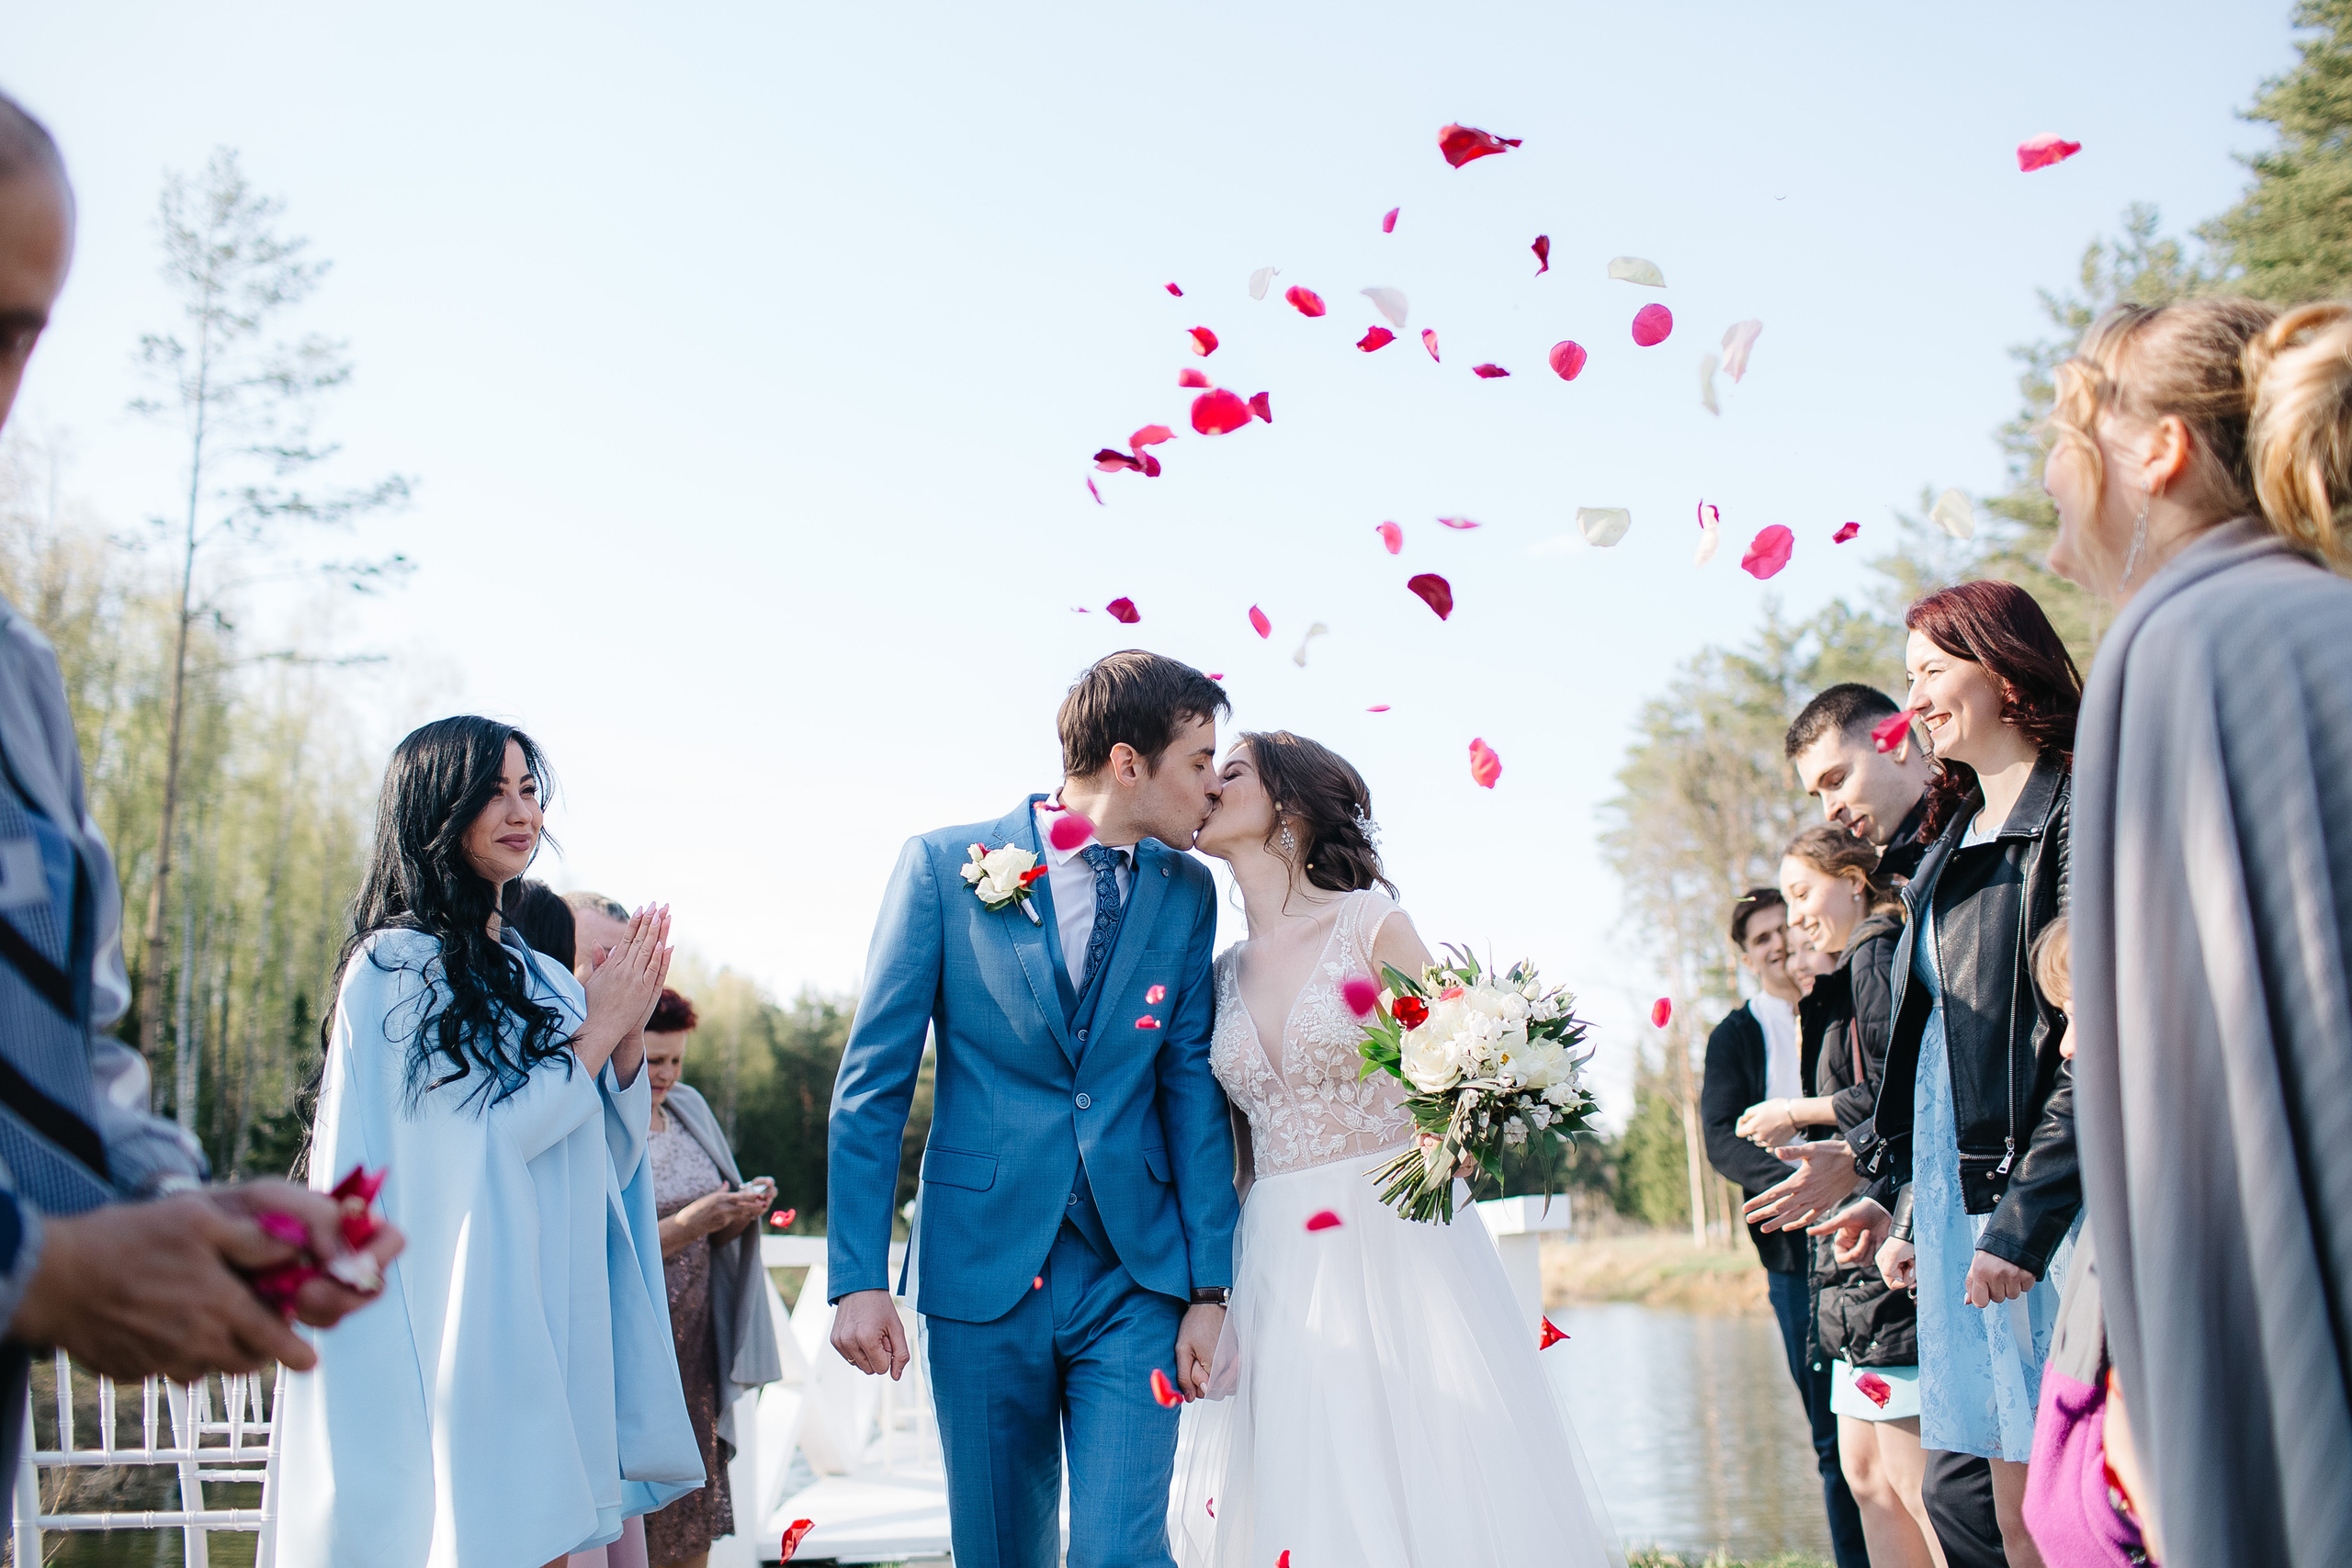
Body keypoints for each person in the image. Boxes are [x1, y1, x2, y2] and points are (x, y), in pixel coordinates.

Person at [0, 87, 401, 1511]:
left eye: (17, 330)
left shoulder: (20, 684)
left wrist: (181, 1217)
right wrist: (32, 1266)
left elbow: (66, 1054)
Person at [2049, 295, 2352, 1564]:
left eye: (2061, 441)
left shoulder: (2179, 641)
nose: (2049, 482)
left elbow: (2191, 1105)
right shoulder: (2310, 614)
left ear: (2154, 451)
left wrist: (2169, 1422)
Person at [1169, 730, 1621, 1567]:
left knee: (1429, 1467)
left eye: (1231, 771)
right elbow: (1230, 1150)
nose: (1208, 784)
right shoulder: (1218, 972)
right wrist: (1220, 1291)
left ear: (1289, 808)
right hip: (1276, 1253)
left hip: (1394, 1238)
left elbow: (1462, 1072)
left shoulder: (1370, 927)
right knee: (1308, 1484)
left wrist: (1447, 1140)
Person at [827, 650, 1239, 1568]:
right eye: (1200, 761)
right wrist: (858, 1275)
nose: (1214, 786)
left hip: (1134, 1277)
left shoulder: (1186, 892)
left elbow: (1188, 1090)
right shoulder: (942, 867)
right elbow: (874, 1083)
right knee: (999, 1550)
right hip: (980, 1270)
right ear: (1128, 764)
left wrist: (1211, 1288)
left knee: (1118, 1552)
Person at [277, 717, 703, 1568]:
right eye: (494, 790)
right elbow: (474, 1150)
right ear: (437, 806)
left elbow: (601, 1162)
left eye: (530, 789)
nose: (521, 811)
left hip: (551, 1306)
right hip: (459, 1307)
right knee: (479, 1531)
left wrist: (622, 1041)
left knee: (550, 1536)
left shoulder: (541, 975)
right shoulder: (394, 967)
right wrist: (603, 1026)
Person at [1830, 581, 2082, 1568]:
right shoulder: (1950, 841)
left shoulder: (2074, 812)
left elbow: (2083, 1039)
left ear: (2004, 670)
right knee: (1986, 1503)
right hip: (1957, 1206)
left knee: (2049, 1511)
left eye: (1930, 673)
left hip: (2040, 1210)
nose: (1913, 702)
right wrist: (1905, 1208)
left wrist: (2024, 1219)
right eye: (1906, 681)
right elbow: (1932, 1059)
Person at [1762, 826, 1943, 1568]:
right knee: (1868, 1475)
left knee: (1907, 1478)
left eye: (1804, 893)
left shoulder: (1876, 944)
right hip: (1853, 1260)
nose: (1799, 917)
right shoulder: (1849, 965)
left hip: (1882, 1241)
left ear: (1852, 876)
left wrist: (1797, 1112)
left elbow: (1892, 1093)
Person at [1700, 888, 1868, 1568]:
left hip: (1873, 1223)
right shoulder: (1736, 1035)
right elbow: (1719, 1137)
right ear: (1747, 956)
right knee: (1830, 1435)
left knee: (1891, 1422)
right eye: (1761, 937)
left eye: (1784, 928)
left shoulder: (1844, 999)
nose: (1776, 944)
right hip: (1795, 1252)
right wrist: (1797, 1188)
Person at [639, 987, 782, 1568]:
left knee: (690, 1525)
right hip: (637, 1349)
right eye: (652, 1061)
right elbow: (602, 1245)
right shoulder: (600, 1120)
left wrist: (735, 1213)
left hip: (694, 1352)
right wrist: (692, 1220)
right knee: (637, 1523)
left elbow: (715, 1241)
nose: (667, 1074)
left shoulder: (688, 1109)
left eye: (675, 1060)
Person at [1786, 682, 1938, 880]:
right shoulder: (1901, 888)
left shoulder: (1982, 839)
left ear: (1895, 744)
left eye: (1837, 781)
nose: (1829, 812)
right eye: (1818, 796)